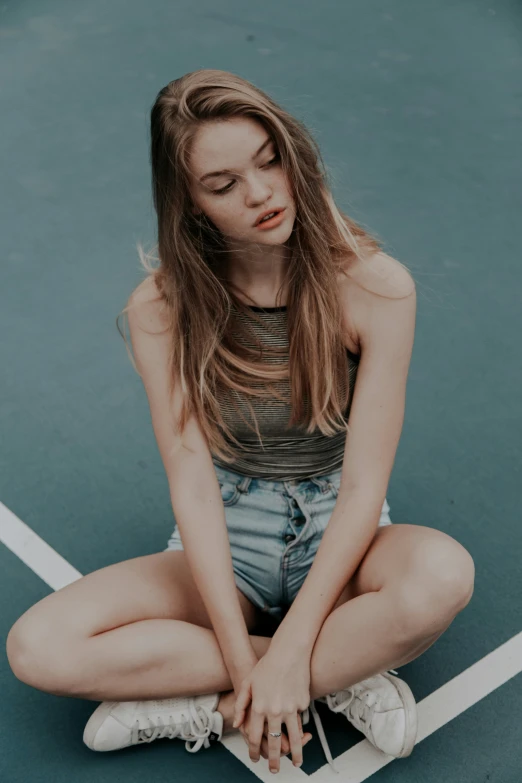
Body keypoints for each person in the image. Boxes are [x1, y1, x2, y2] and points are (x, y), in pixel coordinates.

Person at [6, 69, 475, 775]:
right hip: (229, 533)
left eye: (268, 161)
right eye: (222, 185)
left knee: (443, 573)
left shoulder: (375, 286)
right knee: (37, 647)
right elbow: (191, 487)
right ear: (190, 206)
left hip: (337, 525)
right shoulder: (159, 309)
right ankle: (332, 675)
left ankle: (204, 699)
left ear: (292, 154)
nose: (260, 193)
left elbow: (362, 486)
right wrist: (250, 657)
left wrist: (292, 650)